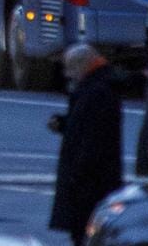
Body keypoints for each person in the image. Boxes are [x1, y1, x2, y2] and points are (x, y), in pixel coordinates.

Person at [50, 43, 124, 246]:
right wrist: (65, 123)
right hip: (91, 180)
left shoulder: (97, 91)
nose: (69, 75)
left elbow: (91, 138)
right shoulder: (99, 87)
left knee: (85, 232)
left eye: (71, 68)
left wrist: (77, 174)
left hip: (89, 183)